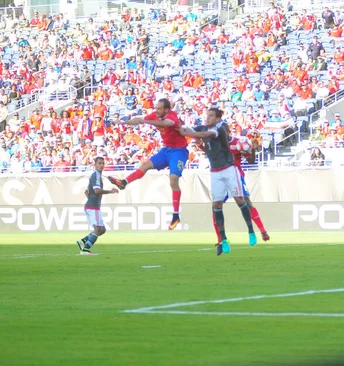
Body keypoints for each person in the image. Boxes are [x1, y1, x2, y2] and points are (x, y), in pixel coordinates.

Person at [179, 108, 256, 256]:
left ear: (218, 119)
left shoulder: (218, 130)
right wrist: (179, 125)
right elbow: (191, 130)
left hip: (229, 169)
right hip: (215, 171)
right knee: (216, 205)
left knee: (240, 200)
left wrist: (191, 134)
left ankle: (251, 231)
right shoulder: (203, 127)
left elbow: (203, 134)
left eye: (211, 116)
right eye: (207, 116)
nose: (207, 118)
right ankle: (224, 239)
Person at [107, 99, 189, 231]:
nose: (156, 110)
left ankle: (175, 215)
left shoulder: (171, 116)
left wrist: (146, 121)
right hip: (166, 150)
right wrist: (122, 122)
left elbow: (168, 123)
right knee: (145, 166)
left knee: (173, 180)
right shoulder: (154, 115)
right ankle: (123, 182)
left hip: (179, 151)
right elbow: (139, 120)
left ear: (167, 110)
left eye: (159, 108)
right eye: (156, 108)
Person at [223, 134, 270, 242]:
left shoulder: (238, 142)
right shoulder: (216, 142)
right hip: (222, 176)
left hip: (237, 176)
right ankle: (221, 238)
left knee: (247, 202)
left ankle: (262, 231)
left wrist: (252, 150)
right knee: (216, 205)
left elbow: (251, 161)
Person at [77, 157, 118, 255]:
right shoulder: (96, 175)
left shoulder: (96, 176)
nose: (101, 165)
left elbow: (86, 192)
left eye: (103, 163)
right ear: (94, 164)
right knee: (98, 229)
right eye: (99, 163)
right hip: (93, 207)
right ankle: (85, 250)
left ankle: (83, 241)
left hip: (92, 206)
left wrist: (91, 199)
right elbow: (97, 191)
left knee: (102, 229)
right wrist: (110, 191)